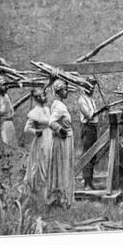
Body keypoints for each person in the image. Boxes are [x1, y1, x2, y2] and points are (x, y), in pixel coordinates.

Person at [47, 79, 75, 208]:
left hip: (65, 141)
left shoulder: (59, 104)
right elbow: (51, 122)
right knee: (63, 168)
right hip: (62, 141)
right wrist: (61, 130)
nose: (67, 91)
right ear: (58, 92)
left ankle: (62, 197)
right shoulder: (58, 105)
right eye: (65, 89)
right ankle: (61, 198)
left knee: (64, 167)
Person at [23, 88, 52, 198]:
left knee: (49, 161)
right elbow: (27, 128)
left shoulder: (47, 109)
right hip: (41, 140)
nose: (46, 97)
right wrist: (36, 131)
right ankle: (38, 189)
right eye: (43, 95)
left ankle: (49, 190)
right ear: (38, 98)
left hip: (50, 137)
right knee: (40, 164)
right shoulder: (35, 112)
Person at [77, 77, 102, 190]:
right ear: (86, 87)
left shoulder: (91, 100)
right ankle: (86, 182)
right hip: (87, 128)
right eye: (91, 87)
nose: (93, 90)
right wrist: (102, 110)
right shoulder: (82, 100)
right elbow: (89, 115)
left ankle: (90, 181)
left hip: (93, 128)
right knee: (87, 154)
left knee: (93, 155)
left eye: (93, 87)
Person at [0, 75, 16, 145]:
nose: (6, 87)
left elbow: (11, 110)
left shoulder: (6, 96)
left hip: (10, 126)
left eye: (7, 85)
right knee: (5, 147)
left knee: (12, 148)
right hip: (2, 127)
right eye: (4, 85)